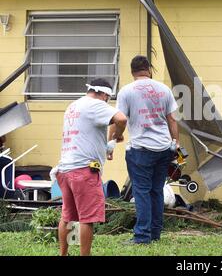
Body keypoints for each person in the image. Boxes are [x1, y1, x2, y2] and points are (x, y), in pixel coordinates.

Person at [109, 55, 179, 244]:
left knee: (141, 192)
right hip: (164, 148)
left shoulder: (127, 91)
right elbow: (172, 119)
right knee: (156, 190)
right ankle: (155, 233)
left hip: (141, 149)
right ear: (148, 69)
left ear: (132, 72)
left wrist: (115, 139)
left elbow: (119, 119)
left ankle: (142, 236)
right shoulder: (164, 89)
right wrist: (176, 143)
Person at [53, 78, 127, 256]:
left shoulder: (73, 106)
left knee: (67, 216)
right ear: (103, 94)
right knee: (87, 219)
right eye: (107, 98)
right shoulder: (95, 104)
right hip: (84, 171)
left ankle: (63, 254)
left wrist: (109, 143)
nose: (107, 102)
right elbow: (121, 119)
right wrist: (119, 133)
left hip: (65, 170)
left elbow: (92, 131)